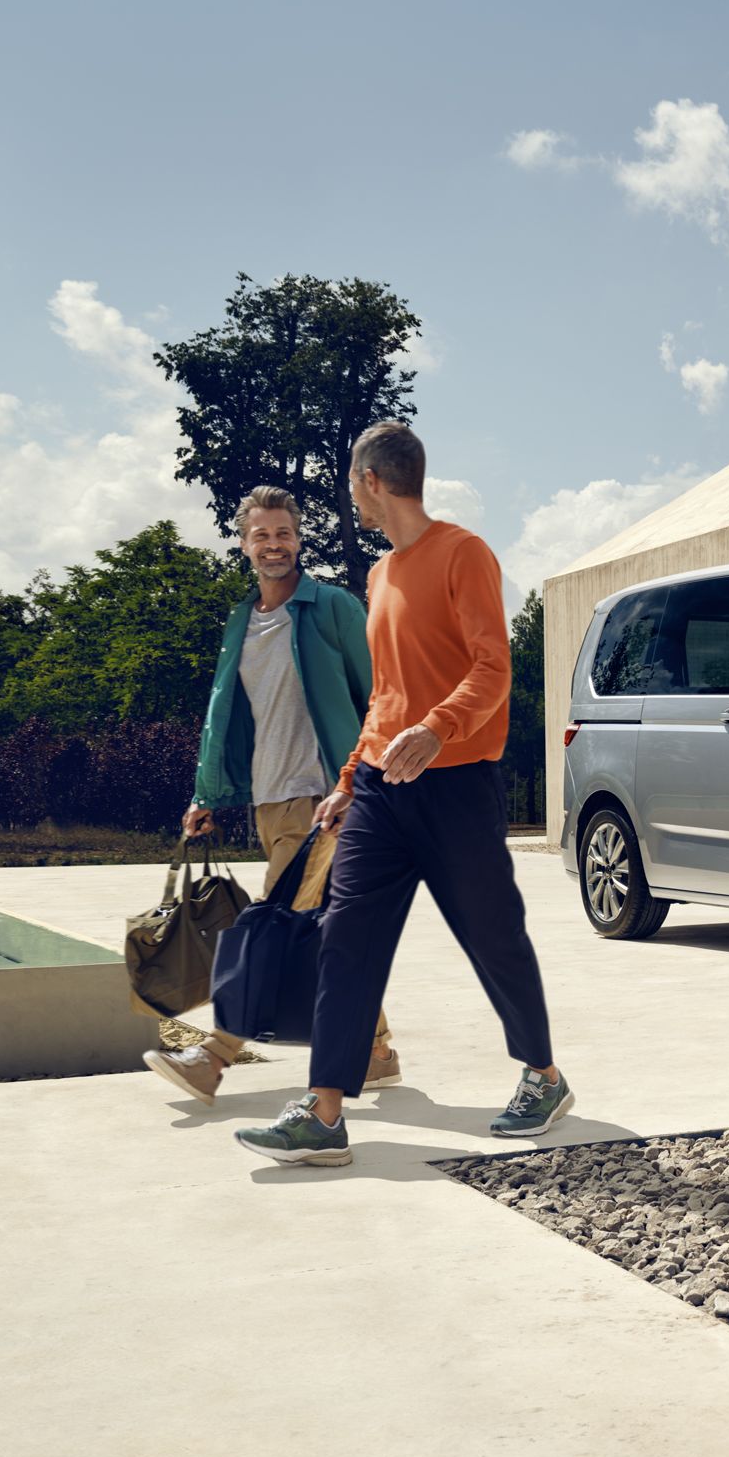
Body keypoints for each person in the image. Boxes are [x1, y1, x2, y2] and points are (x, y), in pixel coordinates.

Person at [234, 424, 570, 1167]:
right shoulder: (380, 576)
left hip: (456, 788)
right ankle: (323, 1112)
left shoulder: (463, 553)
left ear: (368, 482)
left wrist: (437, 728)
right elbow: (385, 694)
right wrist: (353, 777)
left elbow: (492, 668)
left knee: (491, 934)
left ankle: (542, 1075)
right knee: (345, 935)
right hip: (384, 791)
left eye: (351, 482)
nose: (350, 494)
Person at [143, 485, 400, 1105]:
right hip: (269, 798)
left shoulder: (332, 607)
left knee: (271, 927)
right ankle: (377, 1051)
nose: (274, 544)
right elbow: (222, 713)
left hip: (324, 798)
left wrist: (362, 779)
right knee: (326, 931)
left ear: (298, 540)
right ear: (244, 544)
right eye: (261, 535)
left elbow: (381, 691)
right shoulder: (241, 620)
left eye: (284, 533)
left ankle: (214, 1056)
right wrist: (207, 792)